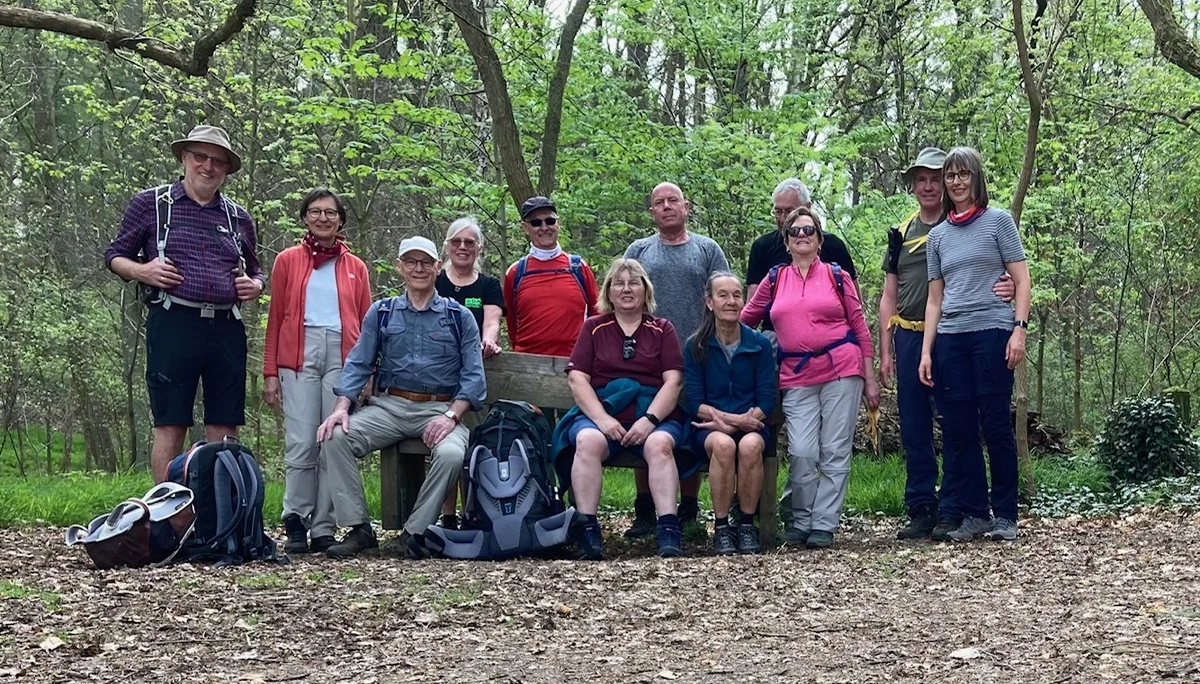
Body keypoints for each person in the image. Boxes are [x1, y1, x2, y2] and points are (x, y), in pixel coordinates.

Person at [104, 125, 264, 484]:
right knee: (170, 423)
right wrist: (143, 271)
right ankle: (166, 518)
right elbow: (114, 256)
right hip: (173, 321)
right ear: (184, 159)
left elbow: (256, 271)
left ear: (226, 170)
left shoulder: (238, 217)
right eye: (200, 157)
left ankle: (219, 518)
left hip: (226, 326)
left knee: (225, 427)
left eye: (218, 161)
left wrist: (254, 285)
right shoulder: (151, 204)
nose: (208, 167)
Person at [316, 236, 486, 559]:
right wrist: (342, 407)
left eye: (425, 262)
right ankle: (359, 530)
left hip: (440, 409)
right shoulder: (381, 313)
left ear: (438, 267)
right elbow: (358, 363)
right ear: (400, 267)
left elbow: (474, 379)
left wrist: (452, 416)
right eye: (411, 262)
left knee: (452, 455)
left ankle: (414, 533)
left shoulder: (459, 317)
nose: (418, 269)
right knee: (334, 436)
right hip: (389, 407)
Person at [878, 148, 1015, 541]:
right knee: (916, 425)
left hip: (962, 334)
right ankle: (922, 506)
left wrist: (1007, 291)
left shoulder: (979, 224)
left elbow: (1009, 272)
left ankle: (955, 506)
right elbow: (889, 293)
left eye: (936, 178)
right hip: (912, 335)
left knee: (960, 423)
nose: (930, 186)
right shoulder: (902, 233)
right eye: (921, 180)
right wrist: (885, 348)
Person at [741, 207, 879, 549]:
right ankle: (801, 520)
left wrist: (871, 375)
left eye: (808, 231)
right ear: (787, 242)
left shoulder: (837, 276)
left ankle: (824, 524)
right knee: (802, 450)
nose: (802, 237)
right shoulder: (774, 279)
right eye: (795, 232)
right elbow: (744, 321)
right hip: (796, 373)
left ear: (819, 240)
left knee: (834, 449)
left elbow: (860, 326)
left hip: (842, 369)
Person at [918, 146, 1031, 542]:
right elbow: (935, 299)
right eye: (950, 175)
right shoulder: (938, 237)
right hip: (951, 339)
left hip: (992, 334)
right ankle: (975, 512)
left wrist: (1020, 329)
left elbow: (1021, 279)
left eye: (963, 174)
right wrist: (927, 351)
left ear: (975, 178)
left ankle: (1005, 515)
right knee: (959, 431)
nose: (956, 182)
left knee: (996, 425)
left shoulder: (999, 222)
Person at [261, 188, 373, 555]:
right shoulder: (288, 260)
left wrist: (369, 373)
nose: (323, 218)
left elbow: (368, 325)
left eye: (330, 212)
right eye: (315, 211)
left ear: (341, 220)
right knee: (301, 440)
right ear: (305, 217)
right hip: (298, 353)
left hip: (344, 356)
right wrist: (270, 372)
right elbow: (276, 317)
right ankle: (296, 518)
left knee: (332, 440)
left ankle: (323, 527)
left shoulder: (355, 266)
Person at [553, 259, 687, 560]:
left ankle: (667, 528)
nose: (626, 289)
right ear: (609, 292)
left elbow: (674, 381)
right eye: (619, 283)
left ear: (645, 290)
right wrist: (602, 419)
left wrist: (649, 420)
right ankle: (587, 530)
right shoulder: (594, 328)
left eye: (634, 282)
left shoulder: (663, 329)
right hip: (602, 412)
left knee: (660, 445)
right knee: (587, 441)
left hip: (653, 413)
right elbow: (577, 379)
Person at [623, 182, 730, 539]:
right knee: (647, 422)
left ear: (686, 208)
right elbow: (624, 292)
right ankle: (644, 508)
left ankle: (688, 508)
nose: (667, 206)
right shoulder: (640, 250)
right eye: (659, 203)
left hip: (698, 351)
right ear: (651, 212)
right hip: (648, 354)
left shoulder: (707, 249)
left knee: (692, 426)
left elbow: (723, 295)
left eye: (673, 201)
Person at [683, 272, 776, 555]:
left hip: (753, 425)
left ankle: (746, 523)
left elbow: (768, 399)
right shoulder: (696, 345)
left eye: (736, 295)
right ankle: (722, 528)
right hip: (708, 428)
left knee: (749, 446)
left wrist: (744, 424)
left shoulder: (758, 344)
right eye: (722, 295)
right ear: (710, 302)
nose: (731, 301)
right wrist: (733, 421)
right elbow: (695, 402)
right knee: (723, 445)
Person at [434, 216, 505, 529]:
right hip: (436, 375)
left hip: (473, 375)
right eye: (457, 242)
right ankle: (447, 516)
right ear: (447, 246)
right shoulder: (434, 281)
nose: (463, 247)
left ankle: (473, 512)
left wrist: (488, 339)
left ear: (479, 249)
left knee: (473, 442)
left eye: (470, 242)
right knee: (444, 444)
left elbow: (491, 321)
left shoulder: (488, 286)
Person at [503, 196, 600, 357]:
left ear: (558, 223)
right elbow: (511, 322)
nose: (544, 227)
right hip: (528, 363)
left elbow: (597, 315)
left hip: (575, 362)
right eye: (536, 223)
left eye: (550, 221)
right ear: (525, 228)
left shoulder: (579, 267)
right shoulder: (515, 272)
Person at [746, 178, 858, 303]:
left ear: (808, 208)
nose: (783, 218)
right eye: (778, 212)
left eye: (789, 211)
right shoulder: (762, 247)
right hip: (775, 321)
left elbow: (855, 302)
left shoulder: (833, 246)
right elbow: (752, 306)